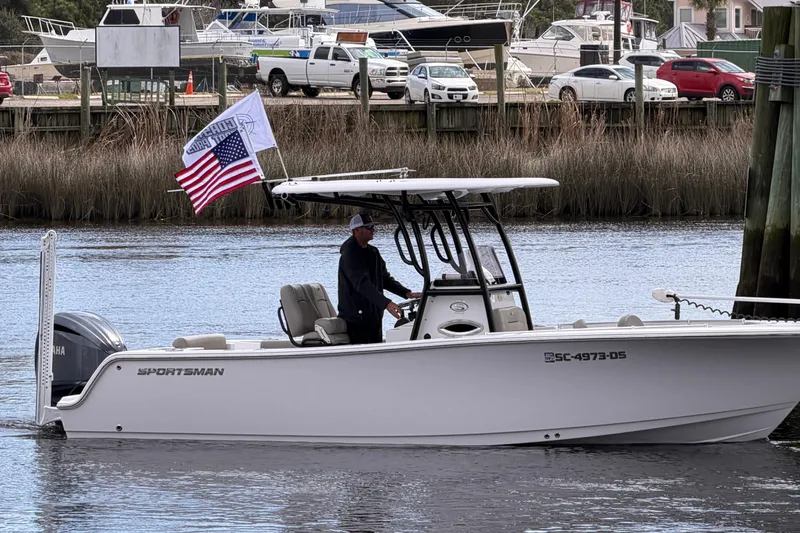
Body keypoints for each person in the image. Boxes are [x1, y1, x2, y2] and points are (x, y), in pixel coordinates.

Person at [338, 213, 421, 344]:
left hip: (374, 317)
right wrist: (386, 303)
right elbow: (361, 284)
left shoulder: (373, 252)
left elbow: (385, 279)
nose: (373, 230)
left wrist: (406, 293)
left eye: (373, 226)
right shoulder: (350, 254)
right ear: (356, 230)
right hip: (356, 319)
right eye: (369, 227)